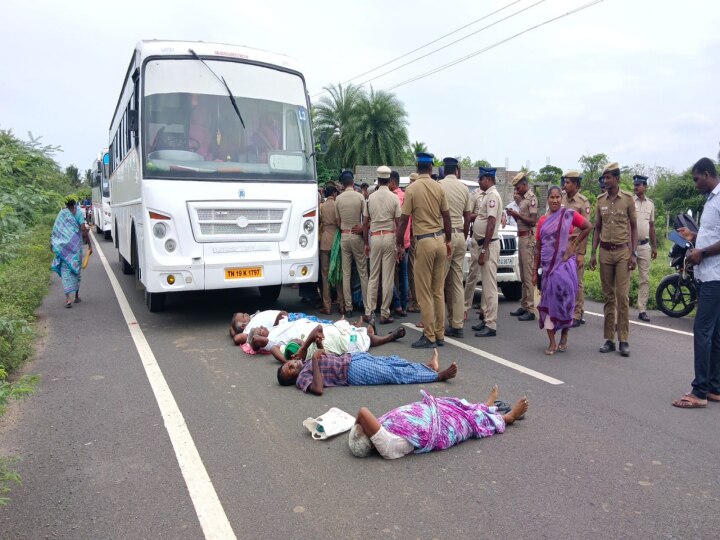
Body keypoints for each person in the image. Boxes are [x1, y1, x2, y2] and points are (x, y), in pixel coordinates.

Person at [349, 386, 529, 459]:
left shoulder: (384, 438)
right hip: (440, 427)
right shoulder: (386, 445)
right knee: (463, 420)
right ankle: (508, 418)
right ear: (372, 441)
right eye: (365, 430)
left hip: (431, 414)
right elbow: (363, 412)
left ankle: (484, 406)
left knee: (453, 405)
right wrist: (355, 424)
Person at [671, 157, 720, 409]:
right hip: (711, 276)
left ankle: (699, 392)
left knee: (702, 332)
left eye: (696, 178)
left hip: (714, 278)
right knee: (715, 333)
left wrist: (702, 253)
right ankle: (714, 387)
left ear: (707, 173)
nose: (694, 184)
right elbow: (714, 235)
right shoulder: (711, 200)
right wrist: (694, 237)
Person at [397, 152, 452, 348]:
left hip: (424, 242)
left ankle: (429, 336)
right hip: (440, 241)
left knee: (424, 293)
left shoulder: (412, 189)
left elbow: (404, 220)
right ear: (430, 168)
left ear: (417, 167)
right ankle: (439, 334)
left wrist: (399, 245)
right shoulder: (439, 187)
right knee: (438, 291)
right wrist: (449, 241)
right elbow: (447, 217)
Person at [533, 186, 591, 354]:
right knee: (548, 303)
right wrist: (534, 271)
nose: (555, 200)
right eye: (552, 197)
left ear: (561, 199)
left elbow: (588, 226)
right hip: (548, 269)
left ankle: (564, 335)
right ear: (548, 199)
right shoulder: (543, 220)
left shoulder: (568, 214)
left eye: (558, 197)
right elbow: (538, 247)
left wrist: (574, 245)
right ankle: (552, 342)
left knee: (566, 302)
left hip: (565, 267)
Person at [589, 162, 638, 357]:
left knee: (622, 297)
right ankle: (609, 338)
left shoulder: (627, 200)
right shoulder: (600, 200)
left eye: (608, 177)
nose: (605, 180)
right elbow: (597, 228)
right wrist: (592, 253)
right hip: (605, 253)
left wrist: (634, 253)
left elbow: (634, 227)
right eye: (604, 177)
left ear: (616, 178)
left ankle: (623, 340)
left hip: (622, 252)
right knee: (608, 297)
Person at [277, 345, 458, 395]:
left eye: (288, 364)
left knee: (392, 362)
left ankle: (427, 367)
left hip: (351, 358)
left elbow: (324, 360)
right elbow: (317, 389)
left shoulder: (306, 363)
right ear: (292, 379)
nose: (292, 365)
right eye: (290, 370)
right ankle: (437, 376)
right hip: (351, 372)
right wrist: (315, 360)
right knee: (392, 374)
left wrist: (320, 346)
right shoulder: (302, 379)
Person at [266, 319, 406, 363]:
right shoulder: (303, 355)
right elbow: (317, 329)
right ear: (295, 355)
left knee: (351, 328)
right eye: (298, 342)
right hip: (343, 342)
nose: (298, 340)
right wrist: (304, 347)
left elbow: (274, 348)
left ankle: (367, 328)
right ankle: (389, 336)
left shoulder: (289, 351)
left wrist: (285, 361)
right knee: (365, 340)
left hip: (335, 329)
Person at [364, 166, 401, 324]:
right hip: (389, 236)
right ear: (389, 180)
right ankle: (385, 313)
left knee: (373, 276)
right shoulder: (394, 198)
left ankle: (369, 311)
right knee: (387, 278)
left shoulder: (370, 198)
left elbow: (365, 223)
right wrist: (399, 245)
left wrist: (366, 243)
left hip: (375, 237)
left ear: (378, 179)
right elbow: (399, 222)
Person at [439, 157, 471, 337]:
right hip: (459, 235)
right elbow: (467, 217)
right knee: (457, 282)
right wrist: (463, 236)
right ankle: (457, 324)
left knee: (439, 282)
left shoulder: (439, 186)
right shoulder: (464, 188)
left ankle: (439, 324)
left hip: (444, 236)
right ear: (457, 170)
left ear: (444, 169)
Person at [472, 168, 503, 338]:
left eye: (481, 178)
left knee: (490, 288)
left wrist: (484, 249)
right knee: (485, 286)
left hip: (489, 245)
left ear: (489, 179)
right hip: (484, 243)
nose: (479, 181)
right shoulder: (488, 195)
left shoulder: (492, 196)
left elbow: (491, 223)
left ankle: (491, 324)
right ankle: (486, 319)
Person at [561, 170, 593, 327]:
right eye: (564, 182)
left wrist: (581, 253)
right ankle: (566, 310)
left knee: (577, 281)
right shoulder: (560, 198)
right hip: (562, 247)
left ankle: (578, 314)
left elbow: (586, 229)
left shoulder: (582, 202)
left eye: (568, 182)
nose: (565, 185)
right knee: (564, 280)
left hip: (576, 246)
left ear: (575, 184)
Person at [335, 170, 369, 317]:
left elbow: (338, 221)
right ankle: (368, 308)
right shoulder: (360, 196)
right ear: (352, 182)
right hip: (357, 236)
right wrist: (361, 229)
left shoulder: (339, 199)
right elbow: (366, 218)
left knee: (346, 273)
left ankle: (348, 308)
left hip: (344, 236)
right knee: (363, 272)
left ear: (343, 184)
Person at [506, 172, 538, 321]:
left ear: (525, 185)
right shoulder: (523, 199)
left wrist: (517, 215)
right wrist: (513, 214)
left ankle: (530, 309)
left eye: (518, 187)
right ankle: (524, 305)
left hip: (528, 238)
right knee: (523, 274)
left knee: (527, 274)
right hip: (522, 237)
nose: (517, 190)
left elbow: (532, 221)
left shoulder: (531, 199)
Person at [51, 198, 91, 308]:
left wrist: (53, 244)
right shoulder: (78, 213)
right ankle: (76, 296)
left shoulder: (61, 213)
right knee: (76, 270)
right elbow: (83, 229)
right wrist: (90, 245)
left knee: (65, 272)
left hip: (63, 248)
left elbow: (56, 230)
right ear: (74, 206)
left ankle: (68, 299)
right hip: (75, 247)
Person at [632, 175, 657, 322]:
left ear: (645, 187)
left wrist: (654, 246)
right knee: (626, 277)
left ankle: (642, 310)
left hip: (645, 246)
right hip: (631, 246)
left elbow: (652, 226)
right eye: (635, 185)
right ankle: (622, 308)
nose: (636, 187)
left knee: (644, 279)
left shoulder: (651, 204)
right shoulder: (629, 201)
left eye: (639, 185)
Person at [319, 184, 344, 315]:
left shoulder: (321, 206)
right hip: (336, 242)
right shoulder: (337, 205)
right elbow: (339, 223)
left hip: (324, 241)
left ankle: (327, 306)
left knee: (325, 275)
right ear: (334, 193)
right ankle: (341, 305)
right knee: (338, 273)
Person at [388, 170, 410, 317]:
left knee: (389, 274)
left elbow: (397, 222)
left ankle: (396, 304)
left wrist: (398, 244)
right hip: (407, 240)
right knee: (404, 274)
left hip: (395, 240)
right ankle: (403, 304)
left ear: (392, 182)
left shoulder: (393, 198)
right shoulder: (406, 196)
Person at [464, 181, 486, 319]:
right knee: (473, 273)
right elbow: (468, 215)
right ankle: (465, 307)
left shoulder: (493, 195)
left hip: (490, 240)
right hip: (477, 239)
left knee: (488, 277)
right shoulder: (475, 195)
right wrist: (480, 216)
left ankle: (485, 309)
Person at [406, 172, 421, 313]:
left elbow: (406, 219)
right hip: (422, 237)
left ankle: (417, 302)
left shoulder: (411, 195)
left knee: (413, 270)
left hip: (414, 237)